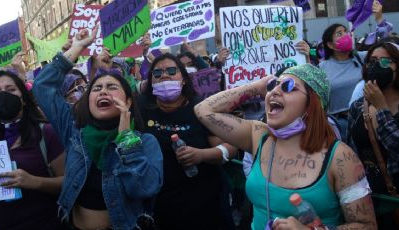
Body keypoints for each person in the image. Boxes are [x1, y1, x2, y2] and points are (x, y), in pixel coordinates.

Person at [195, 64, 377, 229]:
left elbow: (367, 226)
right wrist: (256, 88)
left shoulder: (340, 157)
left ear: (312, 104)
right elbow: (203, 110)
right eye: (272, 86)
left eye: (288, 86)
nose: (274, 91)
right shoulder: (259, 135)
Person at [32, 29, 163, 230]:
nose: (103, 90)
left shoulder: (146, 143)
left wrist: (127, 139)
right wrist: (77, 47)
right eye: (96, 88)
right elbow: (42, 87)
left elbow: (144, 188)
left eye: (112, 87)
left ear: (128, 101)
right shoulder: (74, 130)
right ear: (89, 100)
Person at [138, 52, 237, 230]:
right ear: (151, 81)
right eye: (157, 73)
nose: (164, 75)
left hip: (205, 204)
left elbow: (230, 148)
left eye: (171, 70)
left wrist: (201, 155)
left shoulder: (201, 108)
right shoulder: (142, 109)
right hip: (161, 206)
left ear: (183, 78)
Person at [0, 70, 65, 230]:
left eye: (11, 89)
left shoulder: (46, 133)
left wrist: (35, 182)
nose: (4, 95)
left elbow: (69, 183)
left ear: (23, 98)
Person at [319, 0, 390, 140]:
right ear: (330, 45)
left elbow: (386, 47)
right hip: (340, 124)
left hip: (366, 119)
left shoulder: (362, 58)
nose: (345, 35)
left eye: (345, 31)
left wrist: (379, 19)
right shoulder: (322, 67)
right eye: (339, 34)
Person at [347, 41, 399, 229]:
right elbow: (350, 152)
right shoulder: (357, 107)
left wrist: (383, 109)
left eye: (386, 62)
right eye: (372, 61)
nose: (377, 67)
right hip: (370, 198)